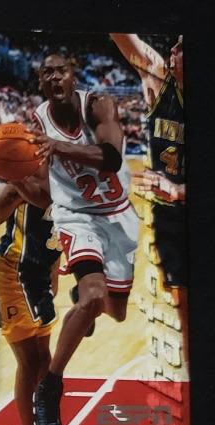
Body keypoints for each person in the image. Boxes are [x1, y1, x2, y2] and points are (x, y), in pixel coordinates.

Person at [30, 52, 140, 425]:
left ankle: (84, 297)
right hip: (77, 218)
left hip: (118, 216)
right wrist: (14, 178)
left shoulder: (99, 105)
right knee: (94, 297)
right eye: (47, 73)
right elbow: (45, 194)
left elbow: (110, 158)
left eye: (61, 70)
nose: (55, 77)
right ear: (41, 82)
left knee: (117, 313)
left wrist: (58, 147)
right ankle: (50, 386)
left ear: (73, 76)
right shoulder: (37, 125)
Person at [0, 170, 65, 425]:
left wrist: (53, 277)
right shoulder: (22, 184)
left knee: (44, 359)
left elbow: (58, 237)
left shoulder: (72, 188)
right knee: (29, 362)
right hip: (10, 274)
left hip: (40, 277)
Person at [111, 34, 186, 327]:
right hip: (171, 219)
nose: (173, 49)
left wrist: (180, 190)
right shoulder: (160, 80)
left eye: (182, 46)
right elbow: (121, 34)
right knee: (186, 315)